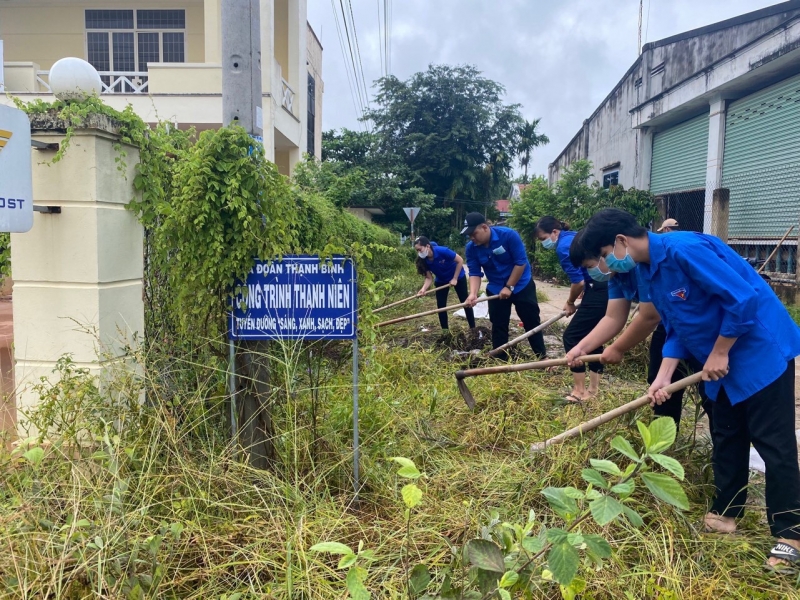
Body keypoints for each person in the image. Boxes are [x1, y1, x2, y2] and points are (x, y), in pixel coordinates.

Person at [580, 207, 800, 572]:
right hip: (718, 361)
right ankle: (728, 510)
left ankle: (790, 533)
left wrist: (720, 350)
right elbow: (677, 325)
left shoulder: (684, 249)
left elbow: (742, 300)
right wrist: (664, 375)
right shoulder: (649, 270)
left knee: (772, 441)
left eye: (605, 256)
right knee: (726, 433)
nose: (607, 265)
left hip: (758, 351)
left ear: (620, 241)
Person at [566, 225, 710, 430]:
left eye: (591, 265)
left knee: (707, 383)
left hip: (695, 324)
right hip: (670, 327)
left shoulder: (640, 266)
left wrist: (617, 348)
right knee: (660, 385)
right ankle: (662, 443)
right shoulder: (616, 276)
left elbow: (649, 317)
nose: (592, 272)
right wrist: (582, 348)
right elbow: (613, 318)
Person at [536, 218, 608, 402]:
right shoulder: (572, 236)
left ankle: (579, 391)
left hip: (599, 288)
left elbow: (578, 281)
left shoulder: (562, 247)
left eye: (544, 237)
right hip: (599, 286)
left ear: (554, 232)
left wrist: (569, 302)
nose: (544, 242)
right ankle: (593, 391)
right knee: (593, 336)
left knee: (572, 337)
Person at [462, 212, 546, 360]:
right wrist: (473, 293)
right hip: (495, 288)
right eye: (469, 235)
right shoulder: (471, 248)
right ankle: (501, 360)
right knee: (498, 324)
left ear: (485, 227)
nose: (472, 238)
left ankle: (542, 357)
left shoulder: (508, 235)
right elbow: (475, 272)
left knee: (531, 321)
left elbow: (520, 263)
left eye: (474, 233)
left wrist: (509, 287)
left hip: (521, 285)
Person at [413, 236, 476, 331]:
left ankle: (473, 328)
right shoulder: (424, 260)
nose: (419, 252)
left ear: (427, 246)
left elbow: (460, 260)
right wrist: (423, 289)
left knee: (465, 302)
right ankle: (445, 332)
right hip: (441, 280)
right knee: (441, 307)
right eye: (417, 250)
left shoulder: (442, 251)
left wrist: (454, 278)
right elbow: (429, 278)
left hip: (458, 276)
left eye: (419, 249)